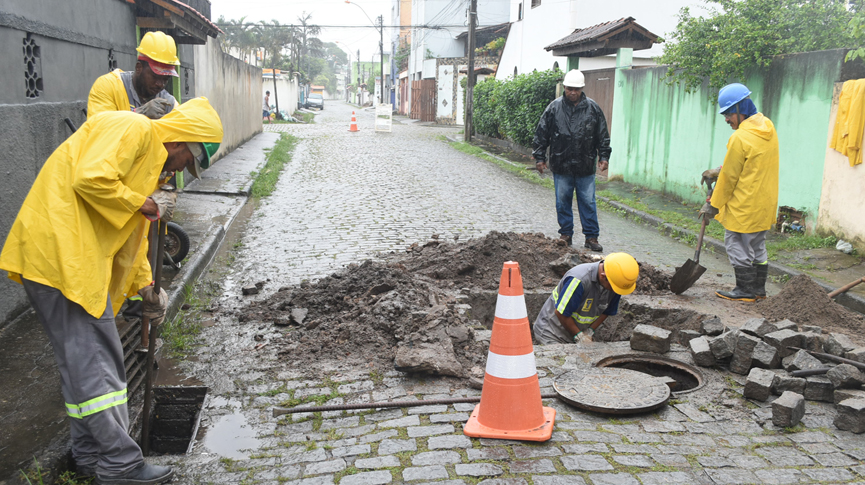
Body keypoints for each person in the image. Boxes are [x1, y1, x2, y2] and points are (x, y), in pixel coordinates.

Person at [0, 97, 223, 485]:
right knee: (100, 366)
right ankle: (121, 464)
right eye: (186, 160)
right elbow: (90, 179)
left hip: (61, 260)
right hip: (65, 260)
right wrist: (145, 203)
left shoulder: (148, 160)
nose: (181, 170)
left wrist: (146, 288)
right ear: (180, 140)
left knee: (80, 369)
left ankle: (89, 455)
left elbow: (130, 238)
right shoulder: (133, 129)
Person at [700, 83, 779, 302]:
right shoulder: (767, 128)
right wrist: (720, 169)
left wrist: (713, 205)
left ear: (740, 109)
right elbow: (751, 164)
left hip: (744, 205)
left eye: (728, 113)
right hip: (764, 204)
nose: (726, 119)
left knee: (736, 244)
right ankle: (759, 290)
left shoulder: (739, 138)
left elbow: (729, 179)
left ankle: (744, 290)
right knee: (757, 247)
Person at [533, 69, 611, 252]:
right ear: (564, 88)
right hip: (561, 164)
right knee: (562, 201)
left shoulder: (593, 109)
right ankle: (566, 234)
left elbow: (602, 135)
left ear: (582, 88)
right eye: (569, 89)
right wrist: (539, 157)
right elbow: (541, 133)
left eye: (576, 89)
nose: (572, 92)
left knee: (588, 202)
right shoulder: (554, 108)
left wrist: (604, 156)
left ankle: (591, 237)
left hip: (585, 165)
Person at [533, 253, 639, 344]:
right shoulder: (579, 280)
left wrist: (589, 332)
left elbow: (607, 311)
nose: (615, 292)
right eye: (613, 288)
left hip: (575, 333)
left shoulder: (616, 283)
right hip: (552, 332)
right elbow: (561, 313)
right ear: (603, 276)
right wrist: (579, 336)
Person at [88, 31, 180, 120]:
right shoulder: (108, 86)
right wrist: (140, 113)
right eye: (155, 76)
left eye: (165, 79)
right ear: (139, 68)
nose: (160, 84)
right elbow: (98, 128)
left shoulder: (170, 103)